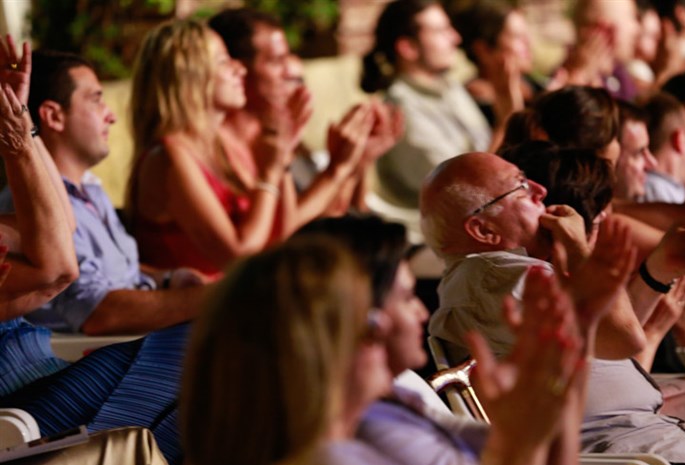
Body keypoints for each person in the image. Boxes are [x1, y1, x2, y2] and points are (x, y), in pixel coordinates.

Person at [420, 151, 685, 465]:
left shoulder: (498, 275)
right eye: (521, 188)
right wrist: (581, 251)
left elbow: (604, 336)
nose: (540, 190)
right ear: (483, 230)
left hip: (648, 452)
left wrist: (659, 269)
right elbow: (624, 338)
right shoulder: (493, 276)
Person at [182, 232, 590, 465]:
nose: (388, 328)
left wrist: (556, 391)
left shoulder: (337, 454)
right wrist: (517, 446)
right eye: (370, 323)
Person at [0, 36, 186, 465]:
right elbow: (58, 269)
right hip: (25, 410)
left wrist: (21, 125)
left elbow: (57, 235)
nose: (111, 114)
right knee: (207, 343)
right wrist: (19, 136)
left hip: (49, 375)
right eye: (97, 99)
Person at [0, 48, 207, 335]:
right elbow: (94, 306)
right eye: (97, 100)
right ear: (53, 117)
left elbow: (118, 273)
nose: (112, 117)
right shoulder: (28, 205)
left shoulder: (91, 189)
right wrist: (218, 297)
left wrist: (168, 278)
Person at [127, 19, 296, 279]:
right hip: (196, 315)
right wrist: (270, 173)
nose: (240, 69)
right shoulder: (168, 157)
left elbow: (280, 236)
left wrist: (282, 156)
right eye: (224, 61)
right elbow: (237, 256)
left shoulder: (215, 147)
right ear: (189, 75)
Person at [209, 9, 400, 226]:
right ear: (239, 68)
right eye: (276, 61)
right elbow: (282, 231)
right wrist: (337, 170)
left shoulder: (282, 136)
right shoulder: (216, 148)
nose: (288, 71)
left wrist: (359, 162)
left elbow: (335, 214)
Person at [360, 0, 493, 209]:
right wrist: (506, 119)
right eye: (441, 31)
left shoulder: (449, 87)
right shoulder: (401, 109)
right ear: (408, 48)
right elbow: (463, 190)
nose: (456, 38)